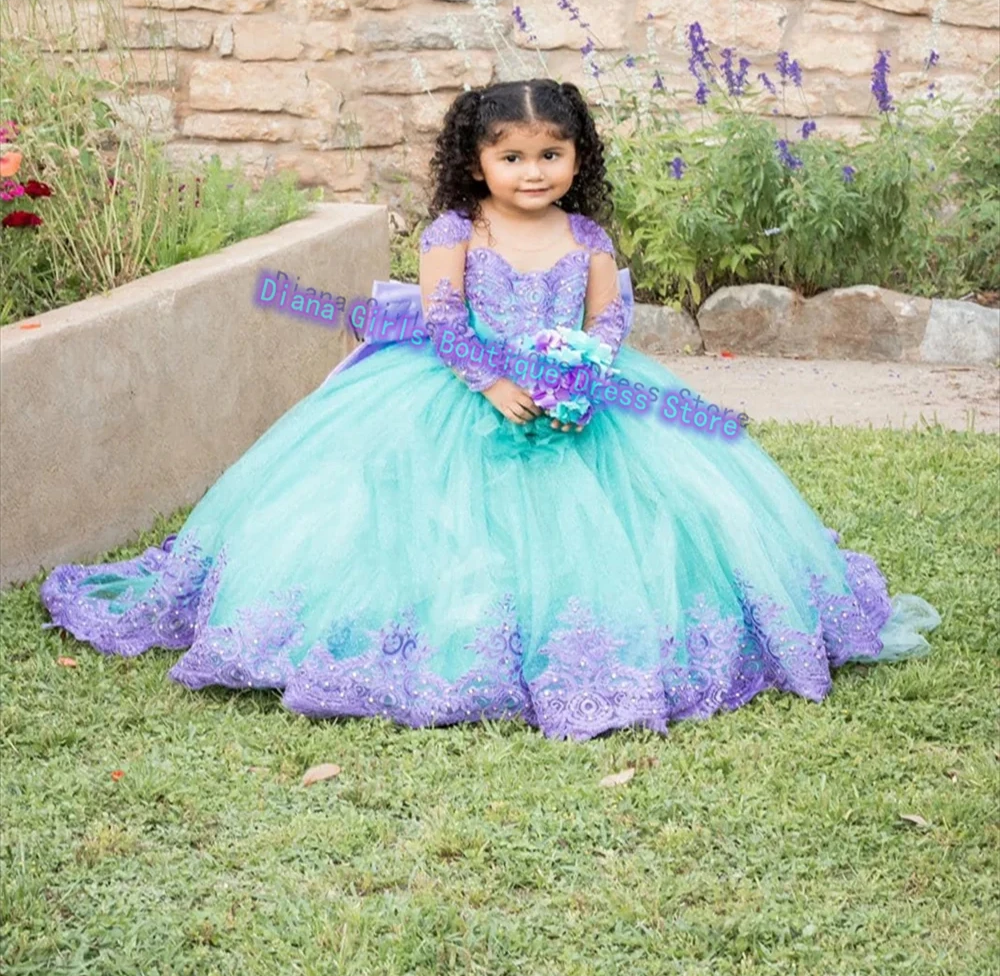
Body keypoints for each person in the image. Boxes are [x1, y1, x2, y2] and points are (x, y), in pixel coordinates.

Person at [39, 79, 941, 742]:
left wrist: (586, 368)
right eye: (512, 155)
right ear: (475, 160)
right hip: (460, 385)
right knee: (424, 524)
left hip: (587, 388)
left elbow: (610, 314)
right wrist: (495, 382)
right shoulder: (454, 232)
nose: (533, 170)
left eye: (552, 154)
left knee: (661, 520)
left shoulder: (586, 236)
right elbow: (438, 318)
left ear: (577, 158)